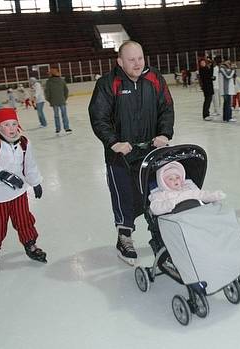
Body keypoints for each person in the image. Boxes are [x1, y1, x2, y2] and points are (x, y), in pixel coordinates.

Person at [88, 40, 174, 266]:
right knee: (124, 197)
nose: (137, 63)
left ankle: (159, 239)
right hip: (121, 156)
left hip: (151, 152)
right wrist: (113, 142)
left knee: (155, 195)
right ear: (120, 61)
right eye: (131, 59)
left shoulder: (154, 78)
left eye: (140, 58)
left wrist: (164, 134)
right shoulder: (109, 83)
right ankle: (124, 238)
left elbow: (166, 107)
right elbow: (99, 117)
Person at [0, 108, 46, 275]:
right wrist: (1, 174)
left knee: (25, 221)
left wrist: (36, 182)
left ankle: (30, 243)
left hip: (19, 192)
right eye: (6, 125)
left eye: (14, 124)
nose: (12, 128)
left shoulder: (24, 143)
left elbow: (29, 165)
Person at [149, 161, 226, 215]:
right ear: (163, 182)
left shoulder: (188, 188)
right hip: (177, 218)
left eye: (177, 177)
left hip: (196, 214)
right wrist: (169, 204)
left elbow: (202, 195)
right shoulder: (161, 195)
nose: (175, 180)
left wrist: (214, 196)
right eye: (170, 179)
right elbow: (155, 209)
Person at [44, 67, 72, 134]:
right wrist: (64, 98)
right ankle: (66, 127)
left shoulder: (48, 82)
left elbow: (46, 92)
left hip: (54, 101)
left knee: (56, 116)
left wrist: (49, 100)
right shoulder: (61, 80)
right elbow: (66, 91)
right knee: (64, 115)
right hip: (62, 100)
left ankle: (58, 128)